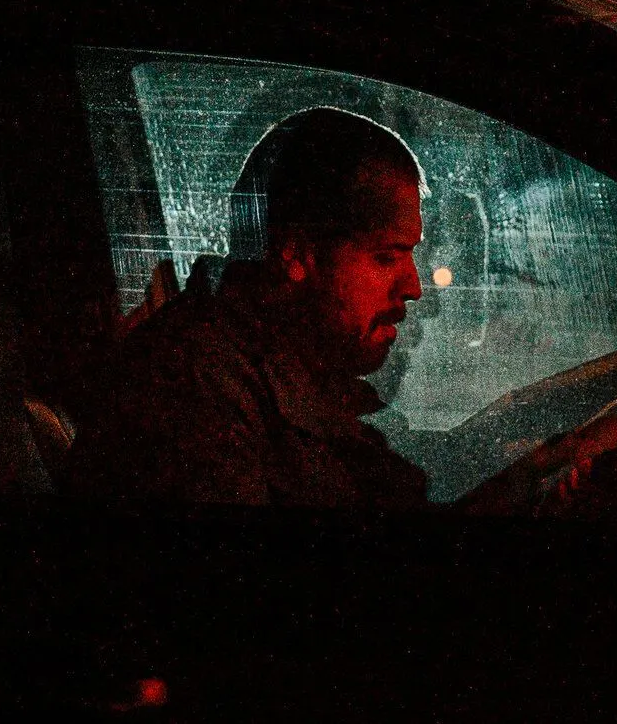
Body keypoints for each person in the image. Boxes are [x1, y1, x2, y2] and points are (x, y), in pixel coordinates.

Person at [67, 108, 431, 507]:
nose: (413, 287)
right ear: (298, 254)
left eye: (410, 255)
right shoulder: (190, 391)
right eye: (385, 257)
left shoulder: (291, 372)